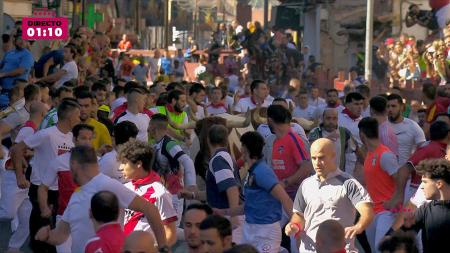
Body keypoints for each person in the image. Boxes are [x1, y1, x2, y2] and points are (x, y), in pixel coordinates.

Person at [34, 146, 168, 252]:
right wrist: (46, 236)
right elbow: (60, 236)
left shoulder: (107, 184)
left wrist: (162, 247)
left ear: (74, 164)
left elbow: (150, 209)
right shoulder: (76, 195)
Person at [10, 98, 80, 253]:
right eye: (77, 115)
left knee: (56, 236)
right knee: (42, 236)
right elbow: (16, 150)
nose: (79, 118)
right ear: (69, 117)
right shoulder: (46, 134)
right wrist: (20, 177)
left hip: (60, 191)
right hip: (41, 189)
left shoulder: (71, 137)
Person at [285, 138, 374, 253]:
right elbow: (299, 216)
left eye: (321, 157)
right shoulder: (306, 184)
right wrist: (294, 226)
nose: (317, 162)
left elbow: (367, 211)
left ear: (333, 156)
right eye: (313, 158)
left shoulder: (348, 183)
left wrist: (359, 226)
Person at [219, 131, 293, 253]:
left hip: (266, 232)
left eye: (242, 144)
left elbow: (284, 198)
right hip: (250, 229)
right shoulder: (253, 171)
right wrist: (223, 212)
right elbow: (247, 207)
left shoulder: (262, 171)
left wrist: (296, 222)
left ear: (245, 149)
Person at [38, 123, 94, 252]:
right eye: (83, 138)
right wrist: (44, 208)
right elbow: (43, 187)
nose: (87, 142)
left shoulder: (98, 162)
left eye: (90, 139)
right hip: (64, 218)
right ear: (74, 139)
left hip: (89, 220)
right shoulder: (59, 162)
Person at [0, 101, 47, 253]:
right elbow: (16, 151)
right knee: (8, 213)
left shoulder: (34, 129)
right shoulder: (28, 130)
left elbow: (27, 152)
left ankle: (13, 248)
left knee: (26, 219)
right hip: (15, 177)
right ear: (42, 114)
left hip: (27, 180)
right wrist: (20, 177)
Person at [358, 117, 406, 253]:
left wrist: (395, 201)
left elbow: (400, 179)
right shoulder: (369, 154)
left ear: (362, 135)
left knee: (382, 250)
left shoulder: (385, 155)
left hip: (386, 212)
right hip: (372, 212)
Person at [117, 139, 177, 246]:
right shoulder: (124, 188)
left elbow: (170, 233)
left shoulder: (159, 192)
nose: (120, 168)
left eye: (124, 163)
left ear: (139, 164)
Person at [149, 114, 196, 224]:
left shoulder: (169, 144)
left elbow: (187, 161)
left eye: (149, 126)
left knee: (171, 232)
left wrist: (191, 186)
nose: (147, 129)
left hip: (174, 195)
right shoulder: (157, 145)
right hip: (162, 194)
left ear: (154, 128)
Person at [262, 104, 312, 200]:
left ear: (270, 120)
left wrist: (286, 183)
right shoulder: (276, 140)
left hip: (295, 197)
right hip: (280, 196)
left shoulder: (293, 139)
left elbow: (306, 167)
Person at [403, 159, 450, 253]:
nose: (422, 186)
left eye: (425, 182)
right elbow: (402, 235)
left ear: (439, 184)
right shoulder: (425, 210)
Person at [206, 125, 243, 243]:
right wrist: (193, 195)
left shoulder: (218, 160)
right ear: (226, 141)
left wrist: (233, 216)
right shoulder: (226, 157)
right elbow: (218, 189)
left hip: (226, 217)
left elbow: (231, 187)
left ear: (208, 140)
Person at [386, 94, 426, 200]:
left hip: (406, 178)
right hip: (384, 177)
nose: (390, 109)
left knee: (402, 212)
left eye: (393, 106)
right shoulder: (381, 126)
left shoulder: (412, 126)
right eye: (388, 106)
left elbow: (423, 150)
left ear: (402, 107)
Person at [308, 108, 357, 172]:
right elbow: (312, 150)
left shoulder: (344, 132)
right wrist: (326, 140)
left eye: (334, 118)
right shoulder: (315, 132)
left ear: (337, 119)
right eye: (328, 118)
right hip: (320, 174)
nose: (331, 121)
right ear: (323, 119)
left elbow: (354, 152)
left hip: (339, 175)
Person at [0, 34, 34, 107]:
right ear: (14, 40)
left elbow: (21, 71)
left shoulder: (27, 55)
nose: (22, 42)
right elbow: (2, 64)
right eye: (20, 39)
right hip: (3, 89)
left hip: (14, 93)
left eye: (25, 40)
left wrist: (3, 74)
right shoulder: (9, 52)